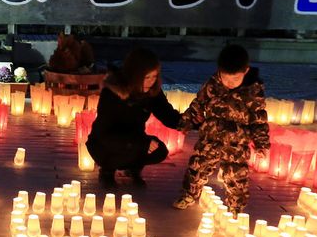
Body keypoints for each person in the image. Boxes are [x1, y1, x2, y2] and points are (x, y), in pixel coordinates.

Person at [174, 44, 269, 214]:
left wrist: (261, 144)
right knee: (197, 167)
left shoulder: (253, 92)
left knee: (236, 176)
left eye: (235, 79)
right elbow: (198, 104)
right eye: (226, 78)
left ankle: (236, 207)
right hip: (210, 136)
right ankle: (189, 194)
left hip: (237, 142)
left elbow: (259, 119)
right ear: (219, 71)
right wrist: (186, 122)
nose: (230, 84)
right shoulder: (212, 85)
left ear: (245, 71)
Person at [85, 47, 181, 187]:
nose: (151, 82)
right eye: (146, 77)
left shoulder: (151, 92)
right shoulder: (112, 94)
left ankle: (133, 169)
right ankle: (107, 171)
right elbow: (103, 134)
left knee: (159, 151)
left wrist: (191, 122)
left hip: (134, 140)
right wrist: (141, 143)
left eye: (154, 77)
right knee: (132, 149)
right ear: (134, 75)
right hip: (105, 144)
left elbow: (168, 115)